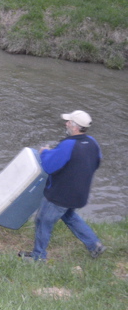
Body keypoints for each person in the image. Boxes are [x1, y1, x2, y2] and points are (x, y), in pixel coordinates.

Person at [18, 110, 106, 262]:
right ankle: (95, 245)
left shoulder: (68, 144)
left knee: (43, 221)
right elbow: (96, 162)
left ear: (75, 126)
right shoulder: (93, 142)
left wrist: (45, 152)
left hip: (60, 194)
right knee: (69, 216)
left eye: (68, 122)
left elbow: (49, 166)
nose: (66, 124)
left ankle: (38, 257)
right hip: (79, 193)